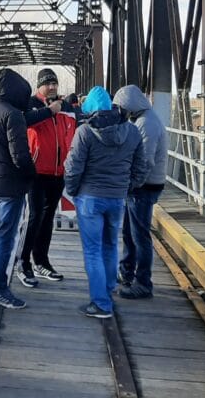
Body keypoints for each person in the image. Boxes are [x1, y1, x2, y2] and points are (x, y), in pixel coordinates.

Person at [64, 86, 146, 318]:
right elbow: (141, 166)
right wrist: (127, 187)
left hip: (90, 198)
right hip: (117, 198)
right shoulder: (131, 131)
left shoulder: (85, 132)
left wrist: (73, 190)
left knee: (92, 251)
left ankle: (100, 303)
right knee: (111, 245)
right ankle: (108, 289)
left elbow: (72, 167)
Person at [0, 69, 35, 309]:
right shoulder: (13, 115)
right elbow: (20, 156)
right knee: (6, 236)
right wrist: (32, 175)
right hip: (10, 186)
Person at [19, 67, 75, 288]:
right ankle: (23, 262)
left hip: (58, 172)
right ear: (39, 85)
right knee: (33, 218)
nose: (52, 87)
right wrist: (49, 111)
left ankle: (42, 261)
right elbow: (24, 122)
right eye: (47, 83)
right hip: (37, 171)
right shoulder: (31, 104)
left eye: (55, 83)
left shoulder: (67, 108)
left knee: (48, 218)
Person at [113, 84, 169, 299]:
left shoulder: (147, 124)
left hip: (144, 187)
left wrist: (131, 184)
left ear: (129, 105)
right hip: (141, 186)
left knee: (139, 235)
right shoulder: (143, 119)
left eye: (121, 107)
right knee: (129, 232)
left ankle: (143, 282)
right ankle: (127, 271)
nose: (120, 112)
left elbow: (145, 160)